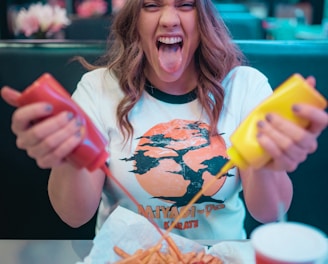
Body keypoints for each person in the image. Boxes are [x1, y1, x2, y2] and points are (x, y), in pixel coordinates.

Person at [1, 0, 327, 242]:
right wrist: (66, 155)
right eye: (152, 5)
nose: (169, 19)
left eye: (186, 5)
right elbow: (74, 216)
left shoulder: (246, 86)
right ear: (135, 20)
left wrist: (270, 156)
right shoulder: (98, 88)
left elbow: (269, 213)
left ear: (203, 20)